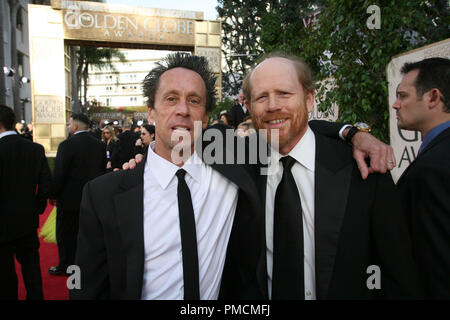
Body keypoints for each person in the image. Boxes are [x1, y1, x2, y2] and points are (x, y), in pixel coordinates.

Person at [75, 52, 396, 300]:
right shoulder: (106, 195)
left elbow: (290, 125)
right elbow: (90, 290)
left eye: (195, 101)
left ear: (207, 116)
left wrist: (351, 133)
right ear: (150, 111)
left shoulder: (232, 164)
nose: (183, 110)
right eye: (171, 98)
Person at [242, 53, 422, 299]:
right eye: (262, 96)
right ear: (250, 108)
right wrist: (348, 130)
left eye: (284, 93)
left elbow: (398, 272)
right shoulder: (239, 168)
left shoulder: (363, 168)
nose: (273, 105)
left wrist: (352, 133)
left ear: (308, 99)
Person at [392, 57, 450, 299]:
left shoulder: (432, 168)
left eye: (403, 96)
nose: (395, 105)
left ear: (433, 97)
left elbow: (438, 260)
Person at [0, 105, 52, 300]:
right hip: (27, 220)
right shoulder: (35, 149)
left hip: (3, 224)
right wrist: (37, 207)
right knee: (31, 268)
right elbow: (46, 182)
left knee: (5, 273)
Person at [49, 113, 106, 276]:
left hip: (69, 200)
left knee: (66, 233)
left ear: (74, 126)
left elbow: (60, 173)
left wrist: (53, 194)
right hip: (92, 198)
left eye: (68, 124)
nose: (68, 127)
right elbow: (101, 172)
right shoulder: (100, 145)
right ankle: (87, 264)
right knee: (89, 233)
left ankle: (66, 265)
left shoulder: (67, 145)